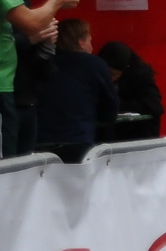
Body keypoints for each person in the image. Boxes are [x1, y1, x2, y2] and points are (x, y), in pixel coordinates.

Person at [1, 0, 79, 157]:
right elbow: (31, 23)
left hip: (18, 89)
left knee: (17, 169)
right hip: (4, 88)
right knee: (9, 172)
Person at [35, 20, 117, 162]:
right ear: (81, 42)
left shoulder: (40, 62)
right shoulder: (95, 65)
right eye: (90, 40)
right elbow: (109, 111)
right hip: (78, 140)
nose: (92, 45)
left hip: (39, 140)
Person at [97, 42, 164, 141]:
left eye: (113, 74)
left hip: (136, 136)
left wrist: (116, 104)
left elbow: (154, 106)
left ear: (125, 69)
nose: (109, 78)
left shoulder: (141, 76)